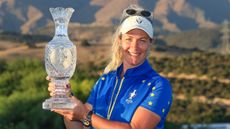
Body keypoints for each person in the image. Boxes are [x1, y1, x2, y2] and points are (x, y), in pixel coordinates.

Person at [47, 4, 173, 129]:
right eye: (129, 39)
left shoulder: (158, 86)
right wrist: (67, 100)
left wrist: (85, 115)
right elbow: (79, 126)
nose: (134, 47)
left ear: (151, 43)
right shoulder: (106, 80)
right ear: (120, 40)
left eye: (142, 40)